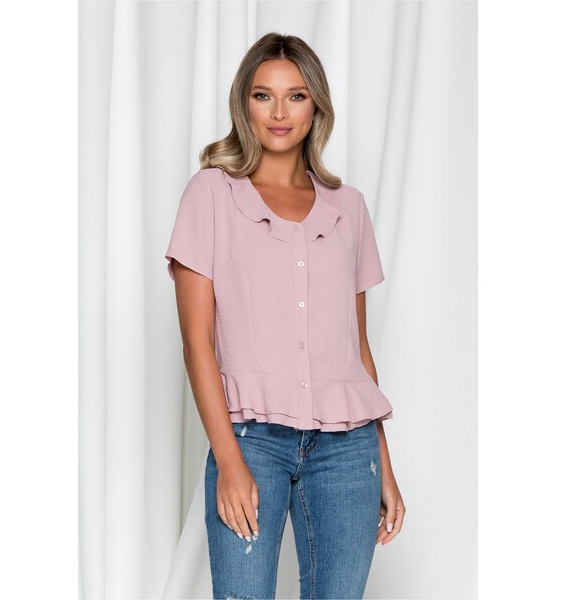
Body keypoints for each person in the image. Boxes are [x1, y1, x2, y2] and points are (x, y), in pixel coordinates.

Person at [165, 32, 406, 600]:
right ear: (243, 104)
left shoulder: (348, 208)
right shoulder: (210, 194)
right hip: (250, 442)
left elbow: (356, 349)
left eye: (296, 96)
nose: (279, 113)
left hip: (348, 450)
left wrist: (384, 463)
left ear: (316, 106)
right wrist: (229, 460)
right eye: (263, 95)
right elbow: (197, 343)